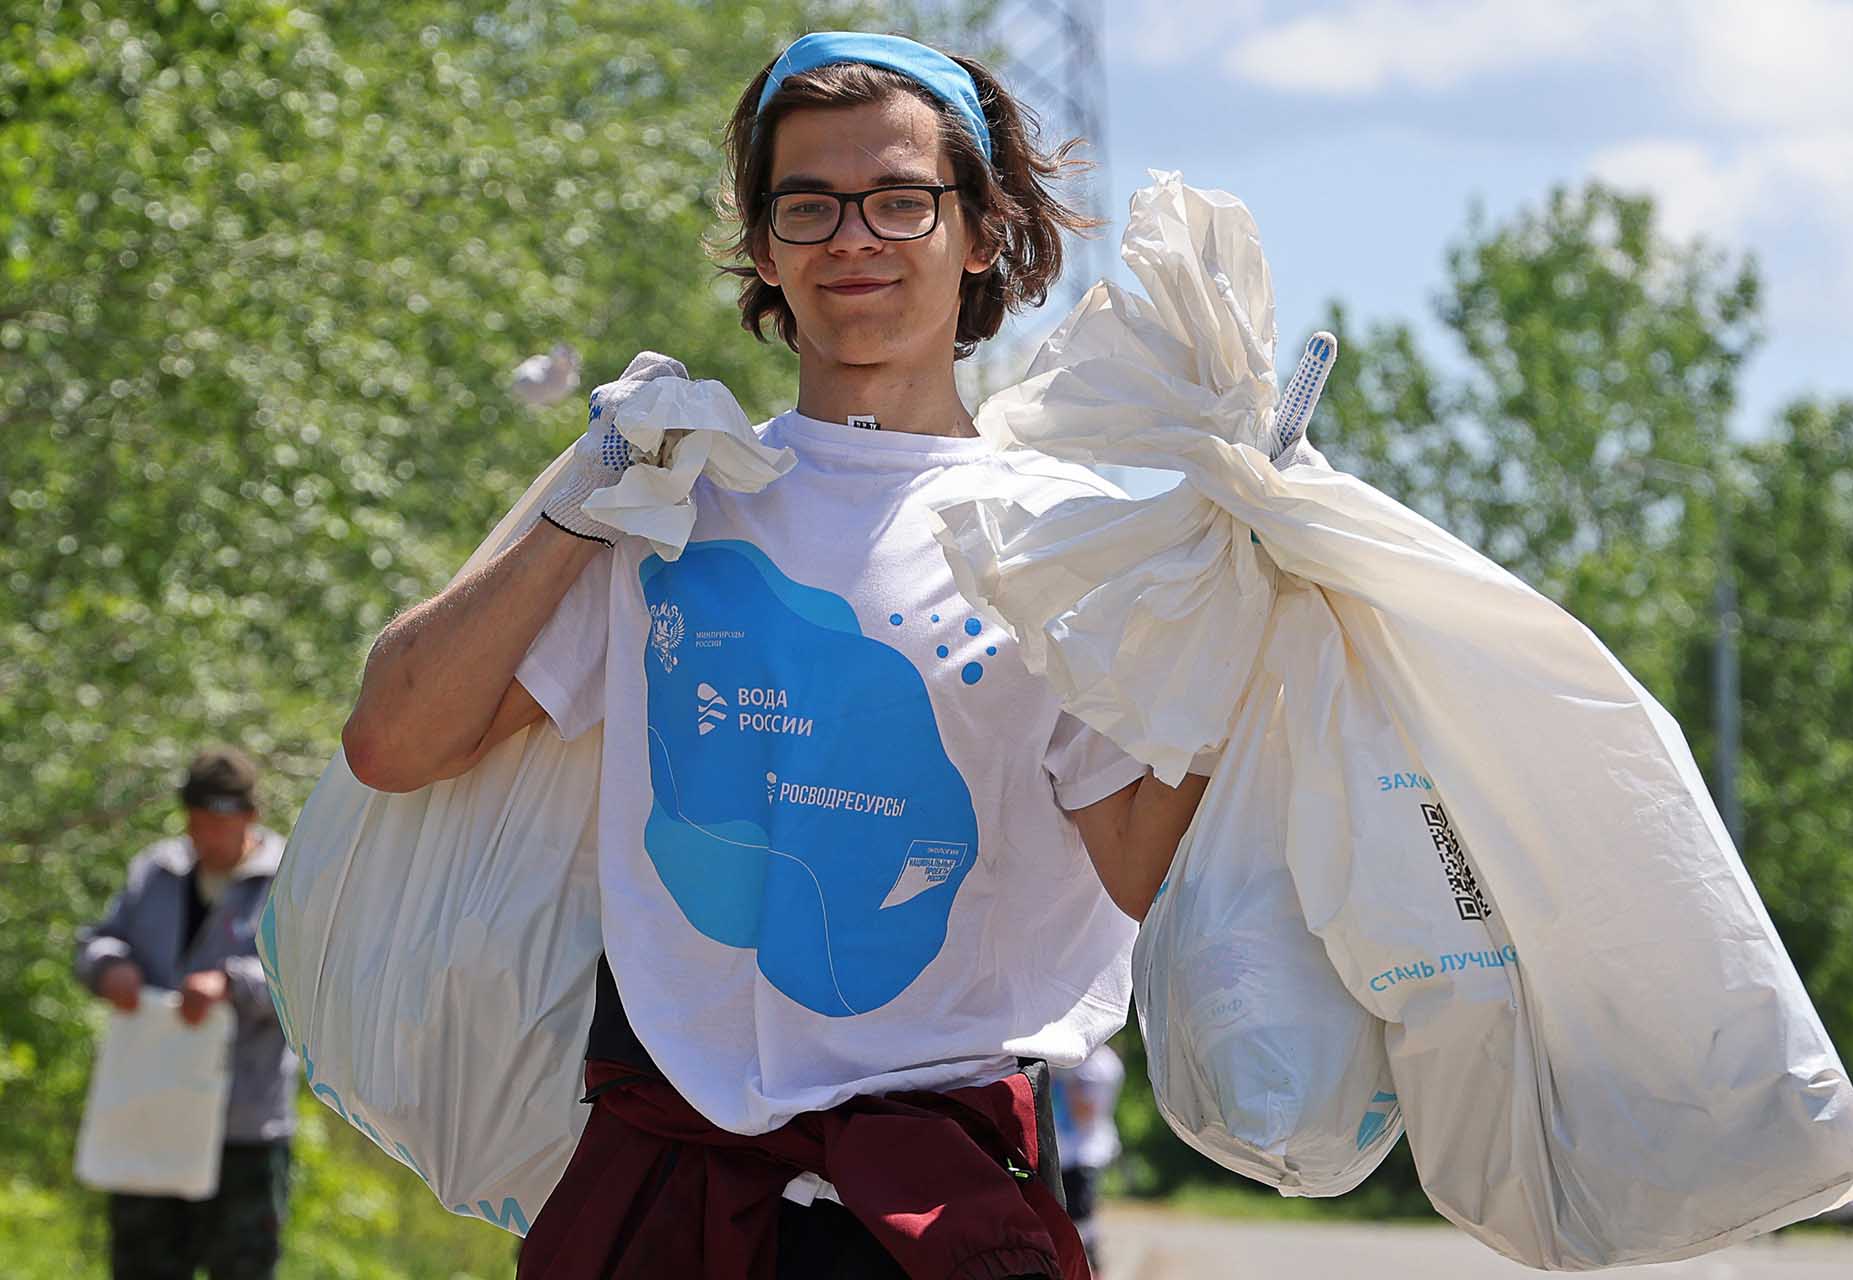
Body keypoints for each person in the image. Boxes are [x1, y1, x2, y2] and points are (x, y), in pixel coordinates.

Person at [342, 30, 1219, 1279]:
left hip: (932, 1197)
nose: (851, 237)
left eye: (901, 200)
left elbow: (1143, 872)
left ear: (981, 231)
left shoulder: (1062, 538)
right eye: (806, 204)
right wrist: (574, 502)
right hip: (661, 1180)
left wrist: (1231, 636)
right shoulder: (673, 497)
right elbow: (394, 741)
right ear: (763, 245)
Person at [73, 746, 299, 1280]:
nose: (207, 836)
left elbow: (310, 987)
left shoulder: (291, 881)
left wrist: (231, 984)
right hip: (149, 1113)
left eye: (220, 822)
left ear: (250, 815)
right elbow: (96, 942)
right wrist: (111, 968)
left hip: (243, 1127)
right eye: (197, 821)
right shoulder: (156, 870)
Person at [1050, 1043, 1125, 1277]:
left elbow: (1084, 1113)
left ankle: (1092, 1271)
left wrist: (1061, 1078)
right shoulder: (1062, 1055)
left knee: (1081, 1223)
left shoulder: (1102, 1064)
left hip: (1084, 1154)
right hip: (1059, 1153)